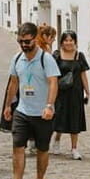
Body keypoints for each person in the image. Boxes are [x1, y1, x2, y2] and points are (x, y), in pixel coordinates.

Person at [1, 22, 60, 179]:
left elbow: (53, 82)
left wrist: (49, 106)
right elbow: (13, 82)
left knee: (42, 148)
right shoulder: (17, 58)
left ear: (35, 39)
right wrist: (8, 105)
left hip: (42, 112)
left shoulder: (46, 59)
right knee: (17, 146)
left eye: (27, 41)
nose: (24, 45)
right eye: (21, 41)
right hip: (22, 111)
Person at [50, 31, 90, 160]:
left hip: (75, 92)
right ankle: (57, 139)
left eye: (71, 40)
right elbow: (52, 75)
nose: (68, 42)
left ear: (75, 41)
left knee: (75, 120)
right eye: (66, 40)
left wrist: (87, 91)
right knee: (60, 118)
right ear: (62, 42)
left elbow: (83, 74)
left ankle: (74, 148)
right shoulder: (56, 55)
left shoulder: (80, 56)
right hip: (60, 92)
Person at [28, 24, 56, 153]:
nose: (54, 40)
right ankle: (36, 141)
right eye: (52, 37)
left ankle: (34, 141)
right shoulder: (43, 49)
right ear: (45, 36)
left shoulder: (38, 47)